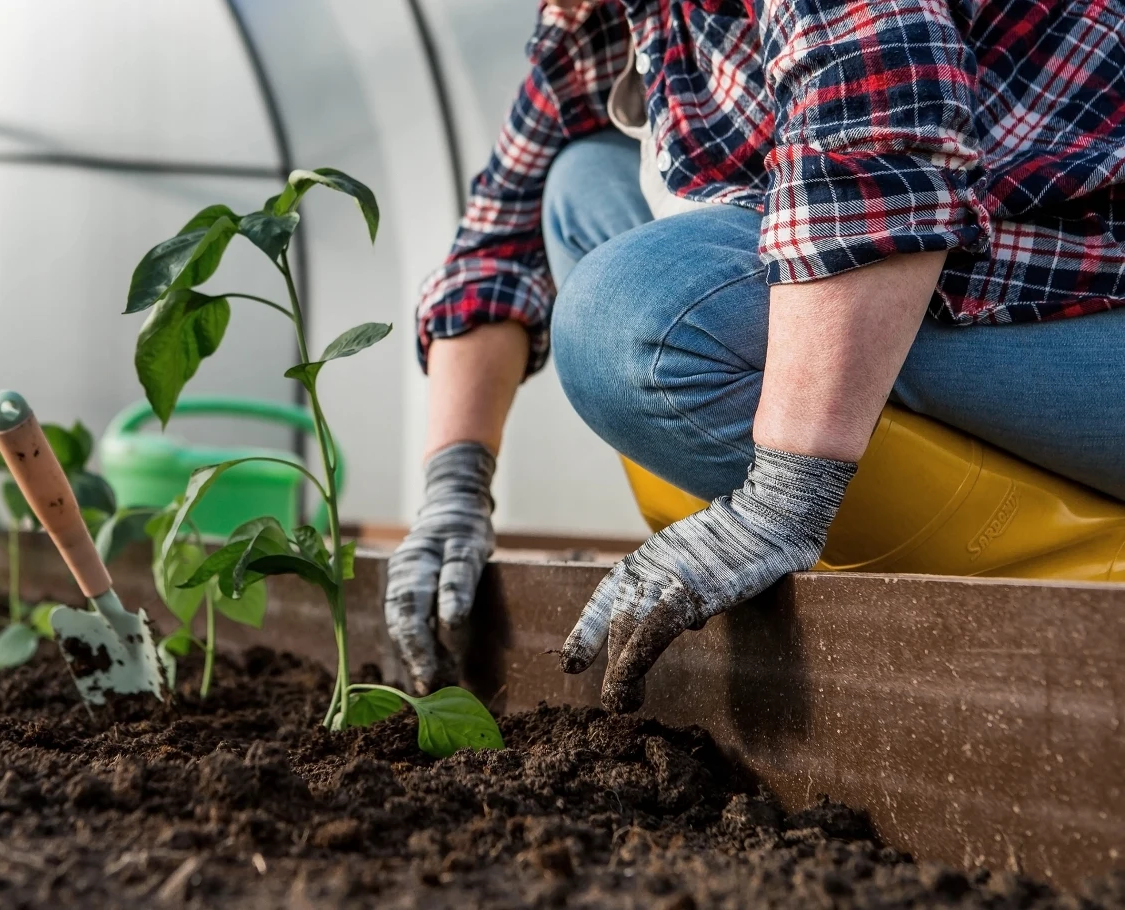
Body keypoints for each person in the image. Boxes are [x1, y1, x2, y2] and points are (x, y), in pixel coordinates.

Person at [384, 0, 1125, 712]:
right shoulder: (598, 15)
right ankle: (789, 496)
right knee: (579, 179)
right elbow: (495, 245)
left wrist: (784, 501)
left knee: (630, 323)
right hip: (961, 260)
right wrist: (453, 495)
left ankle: (1024, 542)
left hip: (1087, 304)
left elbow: (876, 121)